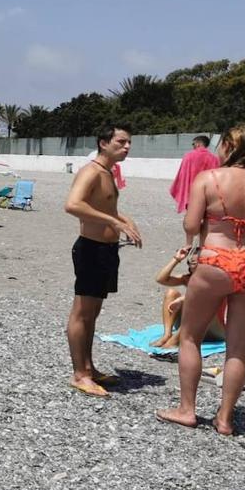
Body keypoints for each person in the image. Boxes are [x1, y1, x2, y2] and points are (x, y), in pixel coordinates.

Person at [157, 126, 245, 435]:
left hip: (216, 259)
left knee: (190, 337)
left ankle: (187, 410)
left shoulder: (209, 179)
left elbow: (190, 223)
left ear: (228, 146)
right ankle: (225, 418)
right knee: (237, 347)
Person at [64, 124, 142, 398]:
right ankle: (79, 374)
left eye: (129, 142)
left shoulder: (108, 173)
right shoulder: (92, 172)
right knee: (81, 312)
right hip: (91, 249)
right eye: (121, 142)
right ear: (103, 143)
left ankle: (89, 367)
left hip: (107, 250)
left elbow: (105, 207)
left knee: (93, 313)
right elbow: (73, 204)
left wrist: (123, 220)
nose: (127, 147)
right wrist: (112, 221)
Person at [153, 246, 225, 349]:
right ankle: (167, 335)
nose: (192, 259)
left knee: (201, 303)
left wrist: (182, 299)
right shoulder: (187, 278)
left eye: (197, 258)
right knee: (171, 293)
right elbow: (160, 279)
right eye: (191, 258)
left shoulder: (215, 279)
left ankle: (174, 341)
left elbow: (204, 294)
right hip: (191, 327)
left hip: (214, 331)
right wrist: (176, 259)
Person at [169, 135, 218, 213]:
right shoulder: (214, 159)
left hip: (191, 194)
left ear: (198, 144)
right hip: (207, 195)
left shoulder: (188, 156)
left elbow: (182, 175)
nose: (193, 146)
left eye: (193, 144)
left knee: (192, 217)